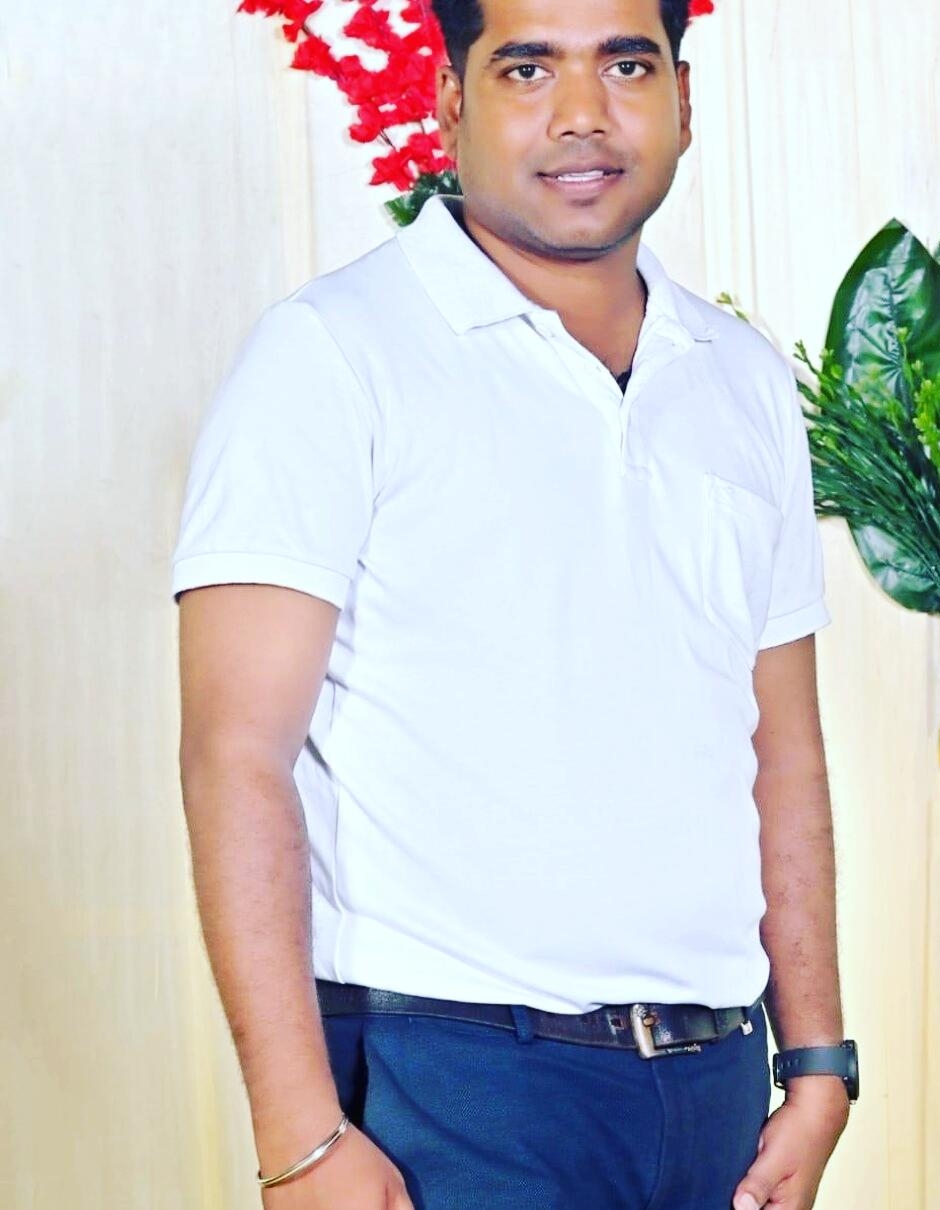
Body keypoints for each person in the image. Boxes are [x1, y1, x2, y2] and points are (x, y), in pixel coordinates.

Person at [172, 0, 857, 1206]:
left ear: (684, 100)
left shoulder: (742, 378)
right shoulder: (332, 352)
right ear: (451, 100)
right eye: (528, 68)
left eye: (627, 65)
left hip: (715, 1080)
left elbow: (783, 751)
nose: (582, 114)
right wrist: (301, 1138)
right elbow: (236, 753)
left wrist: (817, 1064)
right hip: (450, 1076)